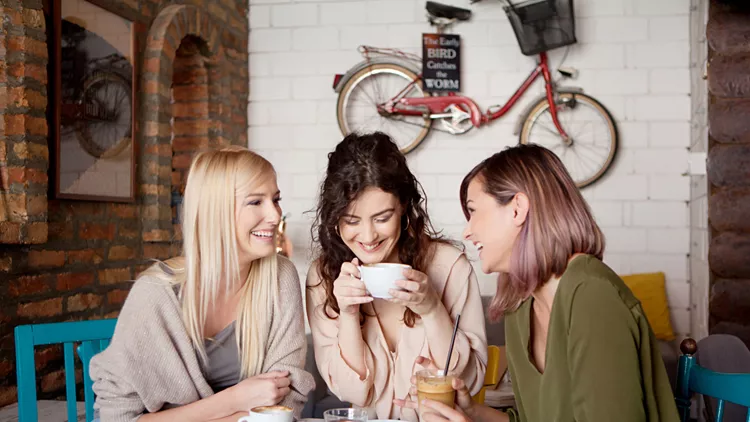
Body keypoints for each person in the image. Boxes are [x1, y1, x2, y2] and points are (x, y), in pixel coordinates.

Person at [397, 144, 679, 422]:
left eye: (473, 211)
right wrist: (470, 412)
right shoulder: (520, 306)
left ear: (517, 209)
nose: (467, 231)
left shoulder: (591, 297)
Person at [90, 146, 315, 422]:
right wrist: (236, 399)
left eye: (276, 199)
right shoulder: (157, 294)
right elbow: (117, 419)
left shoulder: (281, 278)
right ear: (215, 211)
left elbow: (284, 406)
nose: (275, 215)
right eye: (256, 202)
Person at [306, 132, 488, 421]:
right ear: (334, 218)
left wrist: (431, 308)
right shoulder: (324, 277)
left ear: (403, 206)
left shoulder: (449, 266)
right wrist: (348, 314)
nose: (367, 236)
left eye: (382, 218)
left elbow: (470, 380)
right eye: (351, 221)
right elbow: (353, 394)